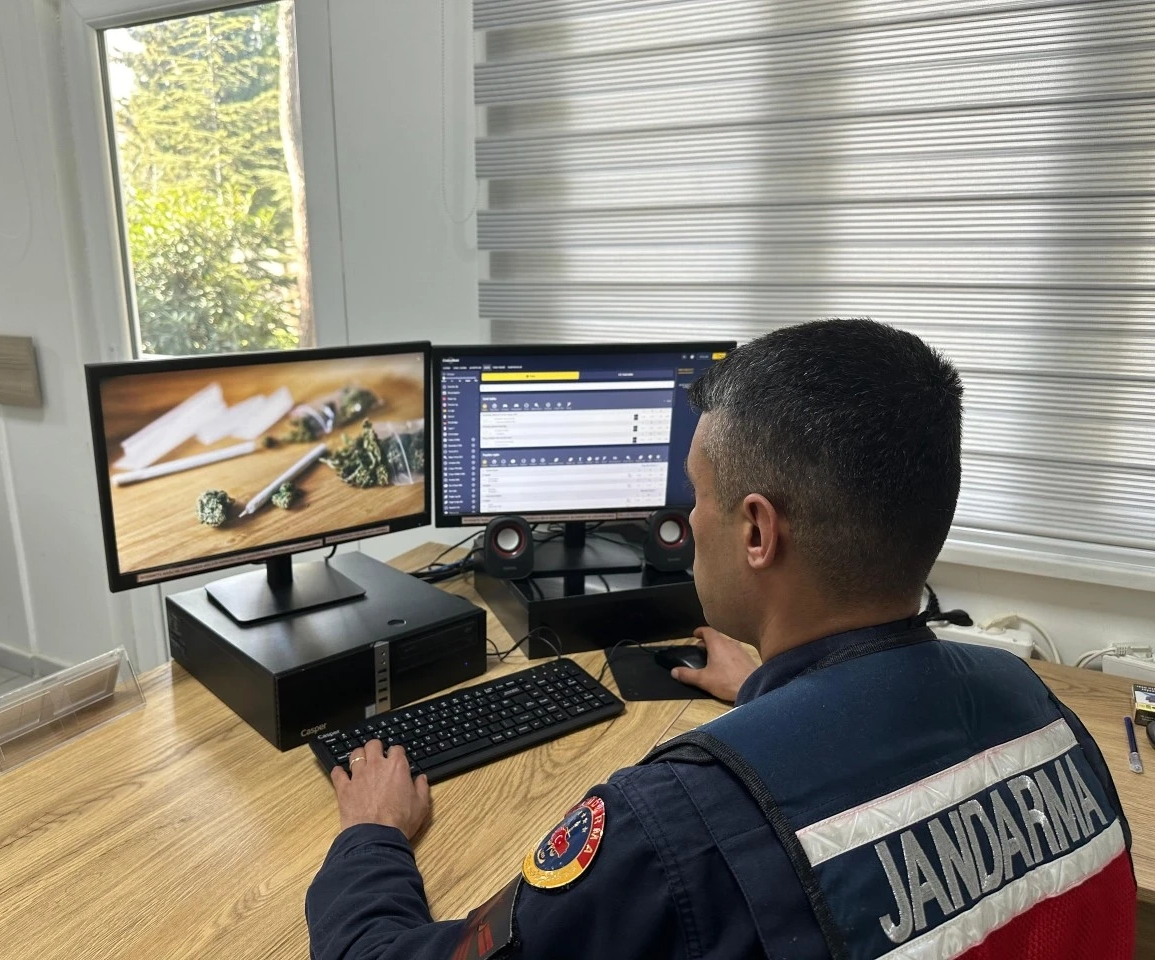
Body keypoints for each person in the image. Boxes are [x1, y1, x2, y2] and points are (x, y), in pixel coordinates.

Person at [306, 318, 1136, 960]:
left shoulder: (666, 825)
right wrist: (775, 698)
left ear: (757, 532)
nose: (686, 520)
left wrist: (370, 835)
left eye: (696, 496)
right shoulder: (1034, 704)